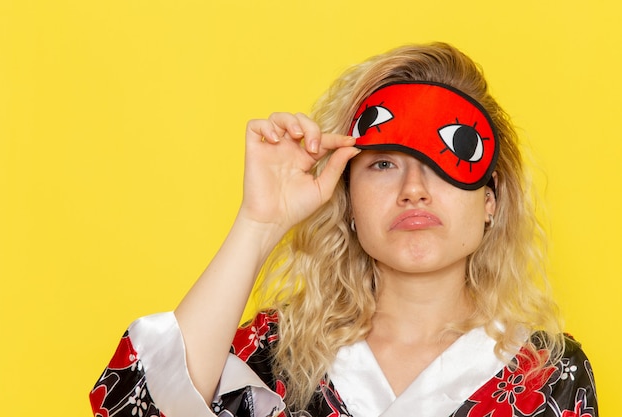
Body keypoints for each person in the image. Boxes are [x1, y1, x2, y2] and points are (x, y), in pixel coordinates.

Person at [90, 42, 598, 417]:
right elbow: (134, 408)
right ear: (348, 199)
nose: (414, 189)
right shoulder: (275, 354)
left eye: (447, 162)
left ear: (489, 199)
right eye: (383, 164)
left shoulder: (550, 375)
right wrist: (259, 223)